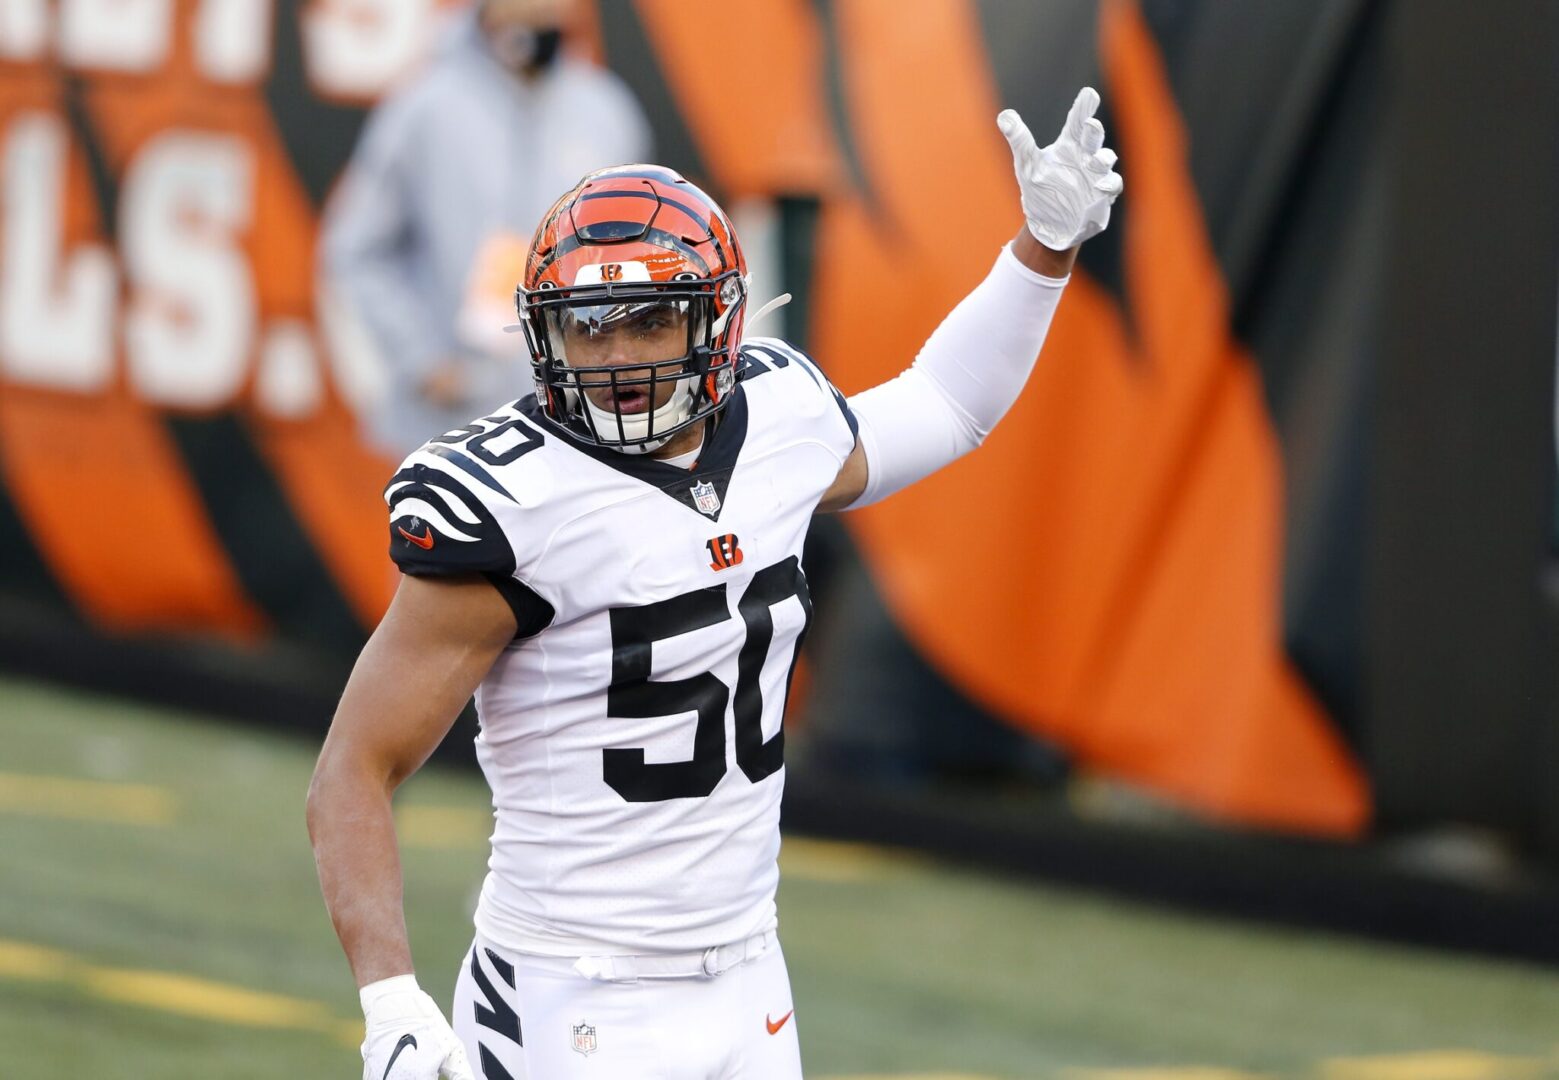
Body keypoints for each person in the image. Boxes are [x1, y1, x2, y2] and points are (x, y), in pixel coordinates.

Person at [307, 88, 1122, 1080]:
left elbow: (946, 402)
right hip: (573, 993)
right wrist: (391, 1002)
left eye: (649, 322)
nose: (615, 359)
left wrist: (1042, 250)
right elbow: (353, 767)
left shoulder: (779, 419)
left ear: (719, 320)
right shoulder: (512, 503)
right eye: (586, 327)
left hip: (747, 978)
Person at [322, 0, 651, 457]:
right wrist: (423, 361)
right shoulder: (425, 106)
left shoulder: (605, 110)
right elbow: (358, 248)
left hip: (577, 427)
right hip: (452, 430)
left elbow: (640, 253)